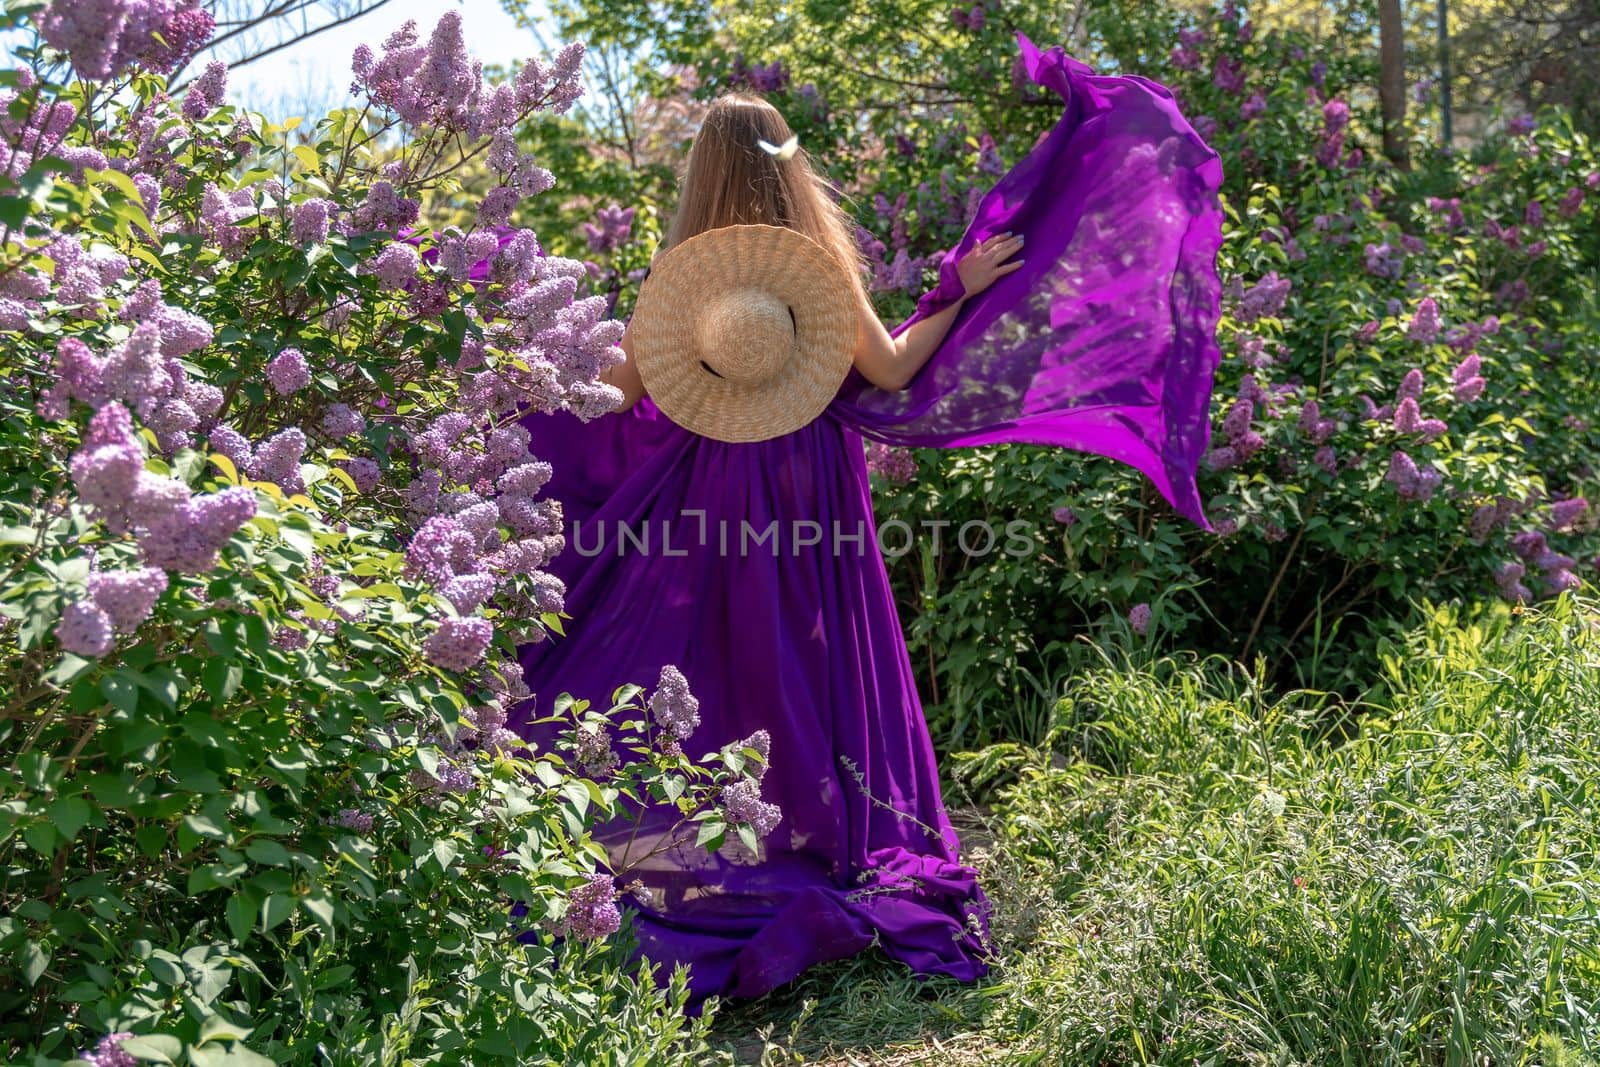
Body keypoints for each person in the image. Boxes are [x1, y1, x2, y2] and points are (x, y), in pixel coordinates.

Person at [512, 31, 1225, 1011]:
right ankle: (828, 826)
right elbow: (890, 370)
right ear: (786, 166)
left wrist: (521, 386)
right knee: (813, 655)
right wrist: (955, 293)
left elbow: (611, 394)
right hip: (807, 478)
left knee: (716, 658)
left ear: (701, 177)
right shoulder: (810, 268)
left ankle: (706, 830)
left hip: (711, 483)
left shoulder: (682, 273)